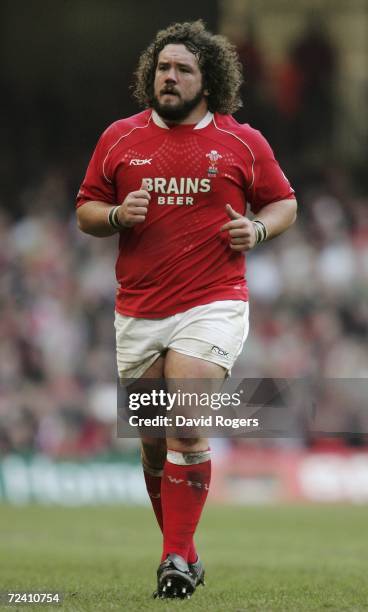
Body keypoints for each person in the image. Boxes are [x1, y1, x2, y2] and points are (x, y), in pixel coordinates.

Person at [76, 20, 297, 600]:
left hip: (213, 302)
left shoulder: (242, 142)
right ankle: (185, 551)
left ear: (209, 81)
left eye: (183, 70)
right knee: (152, 439)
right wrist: (119, 216)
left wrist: (256, 227)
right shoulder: (119, 139)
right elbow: (86, 210)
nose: (168, 78)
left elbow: (285, 203)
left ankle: (173, 556)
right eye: (163, 68)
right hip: (139, 310)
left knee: (186, 418)